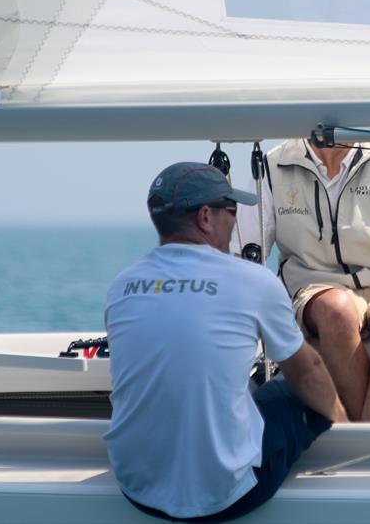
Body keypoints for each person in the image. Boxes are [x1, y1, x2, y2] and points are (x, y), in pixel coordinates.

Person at [104, 162, 348, 522]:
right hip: (227, 494)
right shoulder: (252, 280)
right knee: (291, 386)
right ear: (205, 216)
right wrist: (346, 428)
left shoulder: (121, 286)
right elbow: (308, 373)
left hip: (136, 486)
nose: (235, 223)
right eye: (231, 211)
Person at [233, 139, 370, 421]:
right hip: (314, 287)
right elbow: (246, 256)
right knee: (335, 309)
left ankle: (362, 437)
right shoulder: (273, 164)